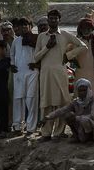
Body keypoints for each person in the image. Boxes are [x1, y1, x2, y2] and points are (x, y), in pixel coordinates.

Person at [33, 10, 77, 141]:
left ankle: (58, 132)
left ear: (59, 20)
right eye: (50, 18)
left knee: (61, 103)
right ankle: (46, 133)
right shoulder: (42, 36)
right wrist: (47, 47)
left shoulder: (65, 34)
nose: (53, 20)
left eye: (55, 18)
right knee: (46, 103)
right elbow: (35, 58)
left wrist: (68, 56)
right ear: (48, 19)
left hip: (60, 72)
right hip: (46, 73)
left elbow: (82, 46)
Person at [43, 78, 94, 143]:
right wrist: (48, 117)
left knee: (84, 120)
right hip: (82, 126)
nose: (82, 93)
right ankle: (77, 136)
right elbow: (62, 110)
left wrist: (77, 118)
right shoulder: (76, 102)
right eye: (80, 91)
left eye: (84, 90)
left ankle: (91, 139)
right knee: (67, 116)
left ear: (89, 90)